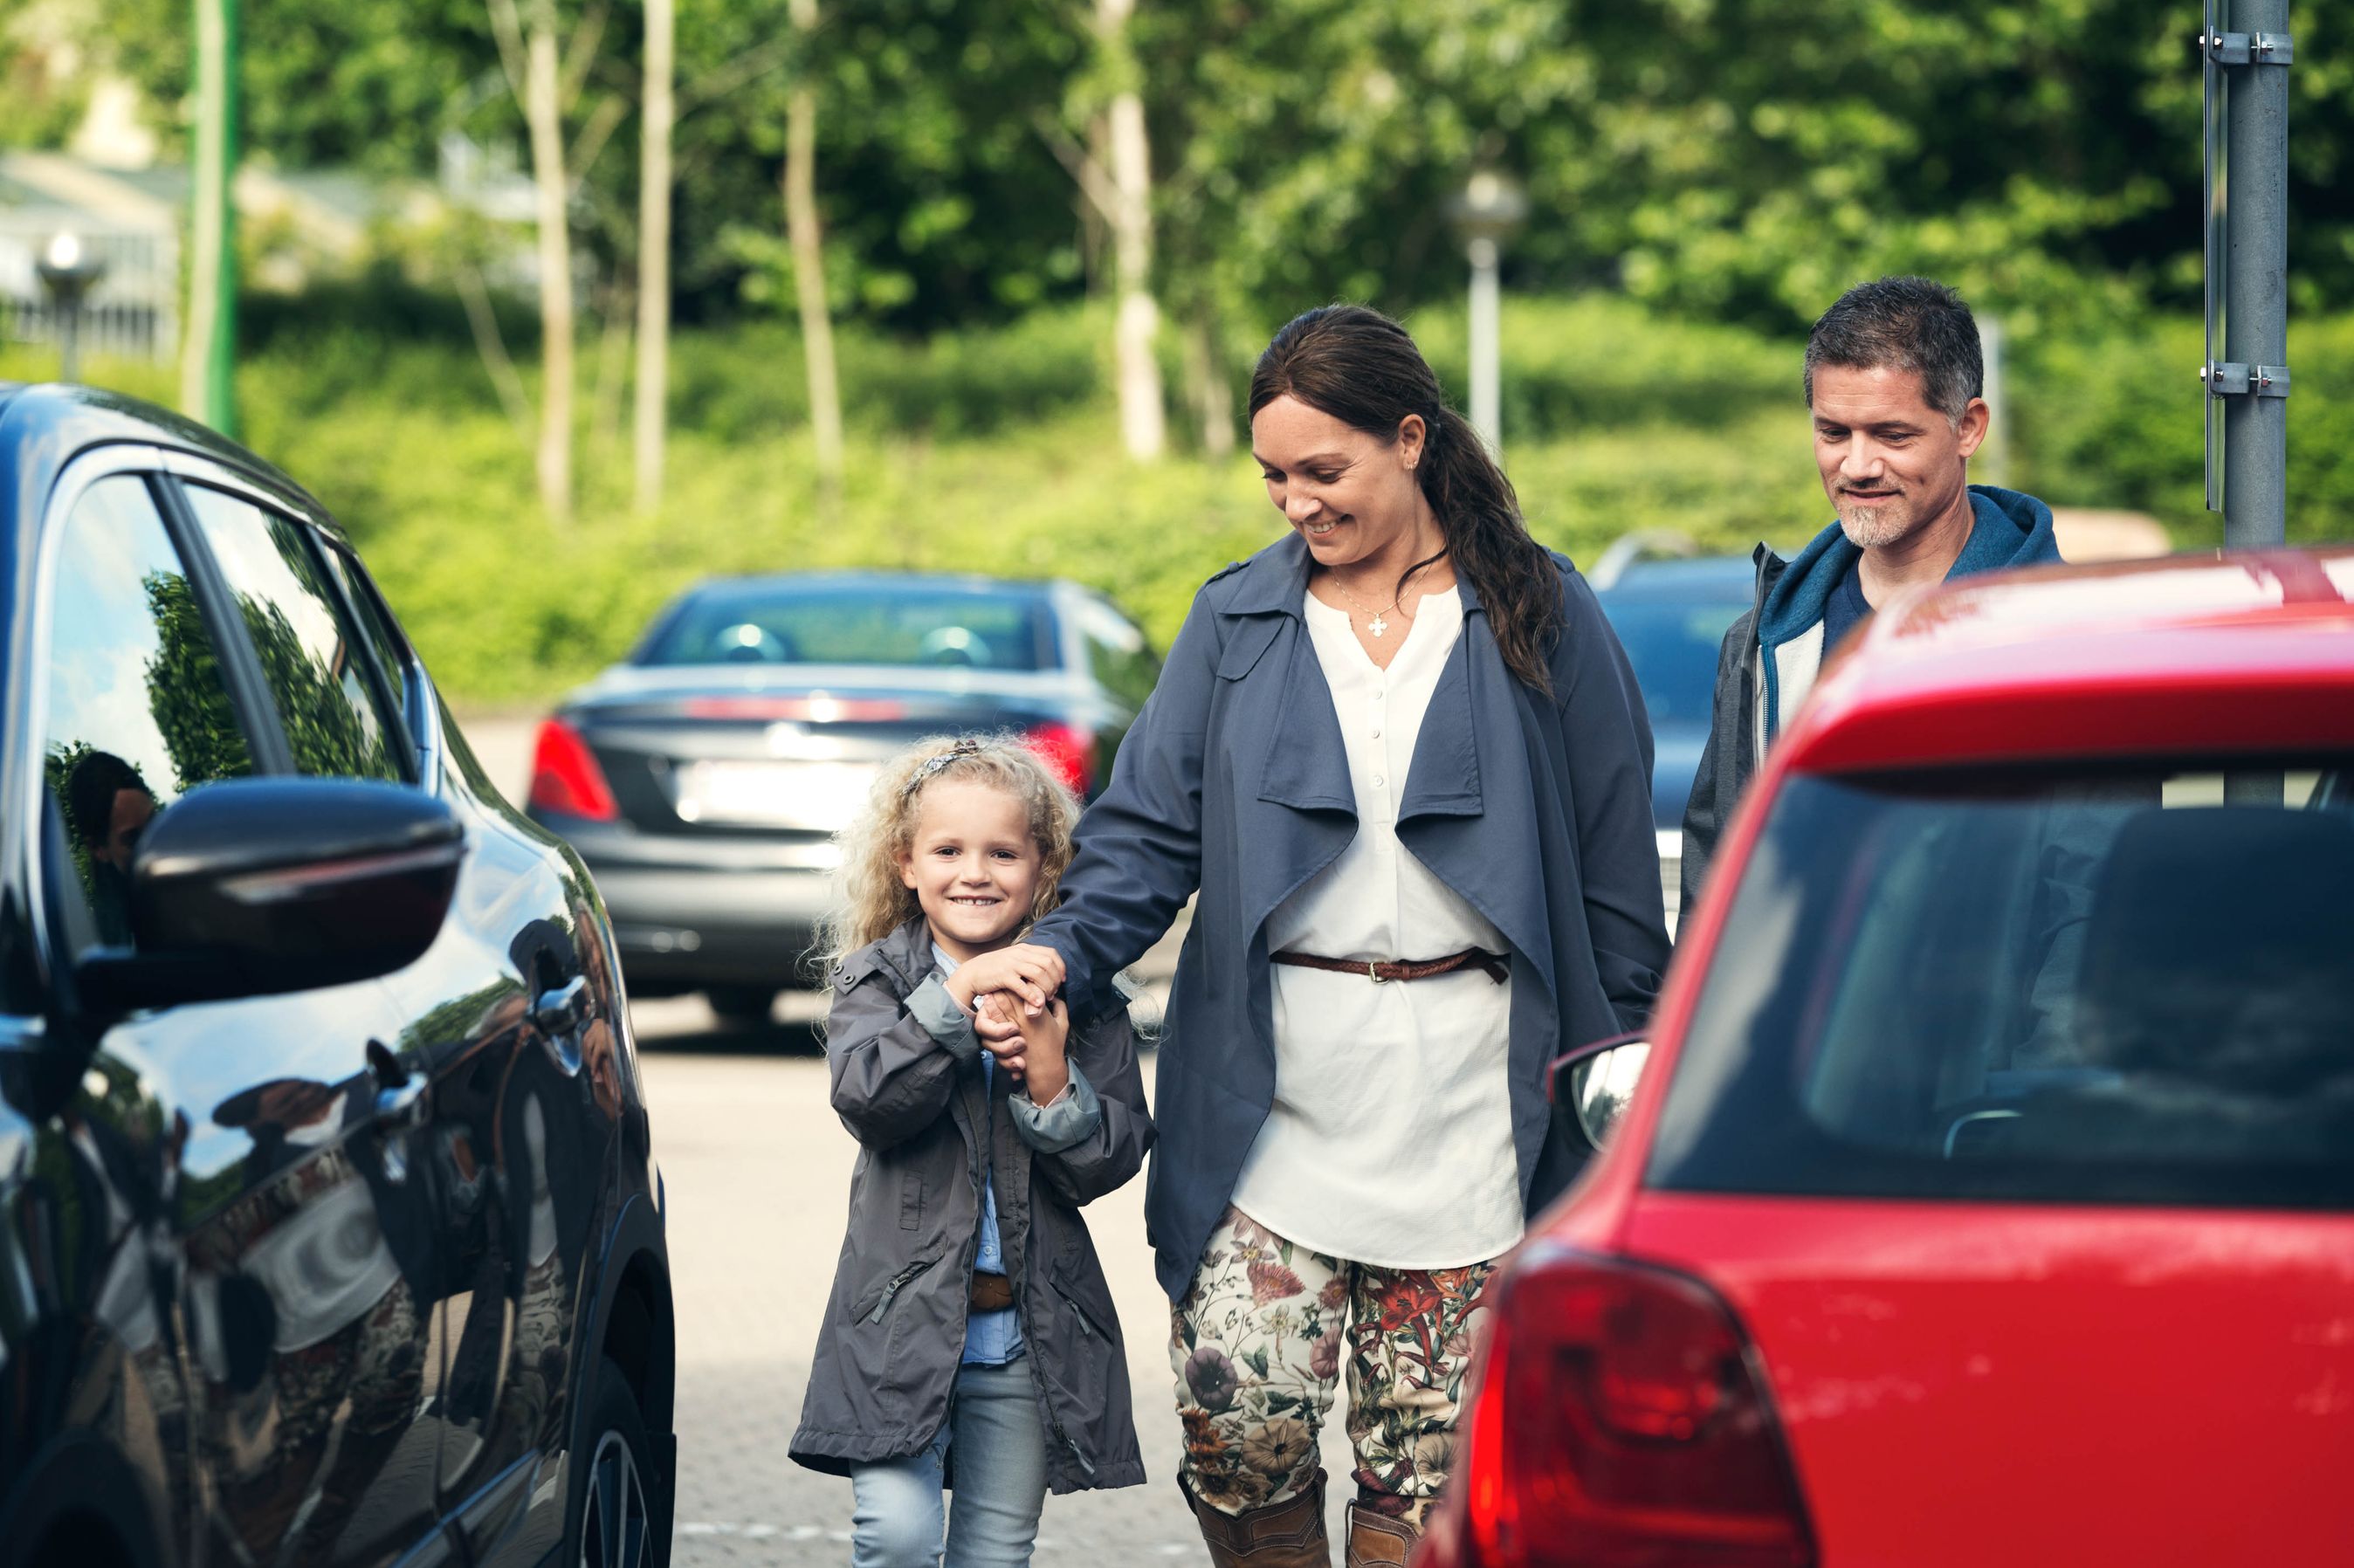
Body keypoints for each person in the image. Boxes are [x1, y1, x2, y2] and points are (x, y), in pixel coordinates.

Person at [981, 305, 1671, 1566]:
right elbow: (1144, 835)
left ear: (1409, 439)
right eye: (1273, 476)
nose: (1295, 500)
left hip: (1481, 1111)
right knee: (1236, 1434)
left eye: (1324, 469)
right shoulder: (1236, 622)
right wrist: (1061, 952)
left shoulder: (1542, 609)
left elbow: (1621, 884)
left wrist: (1617, 1095)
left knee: (1438, 1475)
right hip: (1274, 1106)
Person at [789, 735, 1153, 1567]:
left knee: (995, 1551)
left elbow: (1104, 1164)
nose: (975, 872)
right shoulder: (876, 982)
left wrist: (1052, 1077)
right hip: (897, 1329)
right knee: (898, 1534)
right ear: (906, 863)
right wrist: (953, 1001)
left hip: (1029, 1333)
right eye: (948, 850)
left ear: (1044, 865)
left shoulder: (1081, 997)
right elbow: (870, 1101)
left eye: (1002, 852)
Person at [1678, 275, 2066, 923]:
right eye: (1834, 433)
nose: (1857, 465)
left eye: (1892, 435)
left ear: (1968, 427)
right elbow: (1716, 879)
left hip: (1984, 1022)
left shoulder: (2062, 637)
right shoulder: (1763, 642)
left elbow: (2082, 890)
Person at [65, 748, 157, 946]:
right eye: (133, 840)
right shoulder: (106, 944)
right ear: (98, 848)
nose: (153, 847)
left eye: (156, 824)